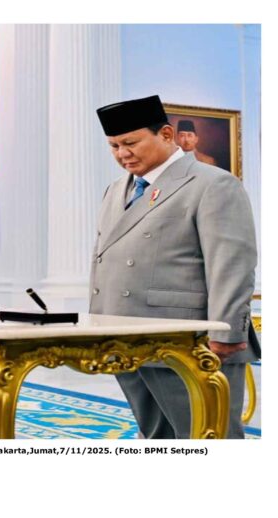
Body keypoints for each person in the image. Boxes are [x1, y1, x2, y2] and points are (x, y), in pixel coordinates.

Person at [91, 95, 259, 438]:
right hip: (123, 333)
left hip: (187, 340)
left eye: (130, 142)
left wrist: (226, 333)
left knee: (208, 436)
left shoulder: (213, 183)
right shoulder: (115, 189)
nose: (122, 153)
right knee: (156, 437)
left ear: (167, 134)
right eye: (113, 146)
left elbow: (231, 264)